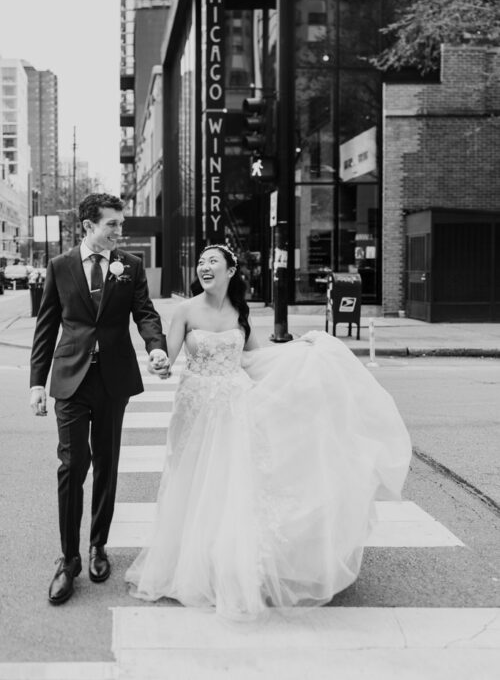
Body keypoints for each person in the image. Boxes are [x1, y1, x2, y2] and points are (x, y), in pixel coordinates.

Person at [125, 244, 412, 620]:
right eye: (201, 263)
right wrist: (159, 360)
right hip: (195, 410)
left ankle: (228, 565)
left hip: (233, 407)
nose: (204, 267)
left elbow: (254, 361)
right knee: (193, 484)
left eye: (213, 262)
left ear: (231, 271)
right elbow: (169, 357)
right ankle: (190, 563)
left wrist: (300, 353)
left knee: (233, 486)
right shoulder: (184, 311)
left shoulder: (239, 313)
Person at [30, 193, 170, 605]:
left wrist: (155, 347)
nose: (118, 231)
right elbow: (46, 327)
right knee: (72, 466)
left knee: (107, 463)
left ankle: (97, 546)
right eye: (111, 224)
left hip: (113, 380)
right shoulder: (60, 266)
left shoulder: (130, 265)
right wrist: (37, 383)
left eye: (120, 224)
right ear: (89, 225)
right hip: (71, 380)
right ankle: (68, 559)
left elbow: (145, 312)